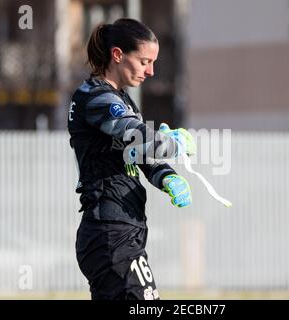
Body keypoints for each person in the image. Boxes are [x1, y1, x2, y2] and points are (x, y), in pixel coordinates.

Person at [67, 18, 196, 300]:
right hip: (110, 234)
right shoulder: (97, 98)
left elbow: (137, 153)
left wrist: (167, 176)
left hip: (122, 231)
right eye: (144, 61)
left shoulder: (121, 100)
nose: (151, 71)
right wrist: (171, 143)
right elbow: (135, 135)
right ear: (117, 55)